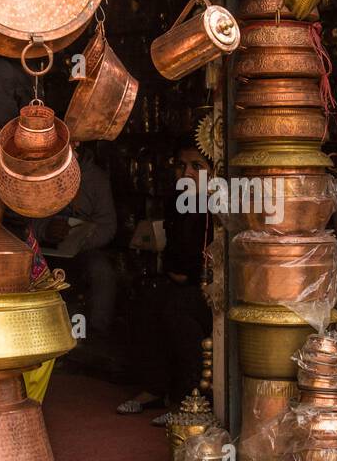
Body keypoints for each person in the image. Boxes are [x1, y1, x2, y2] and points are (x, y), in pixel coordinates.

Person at [118, 135, 212, 420]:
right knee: (146, 299)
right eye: (181, 166)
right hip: (182, 281)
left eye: (197, 167)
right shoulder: (178, 202)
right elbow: (174, 255)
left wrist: (188, 273)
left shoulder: (218, 205)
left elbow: (202, 259)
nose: (187, 174)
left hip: (211, 288)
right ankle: (156, 388)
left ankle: (189, 399)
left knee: (178, 309)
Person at [41, 146, 118, 343]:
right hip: (44, 248)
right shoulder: (40, 173)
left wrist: (79, 240)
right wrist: (46, 230)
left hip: (84, 248)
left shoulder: (96, 179)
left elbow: (108, 225)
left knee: (102, 272)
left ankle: (97, 334)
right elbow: (23, 217)